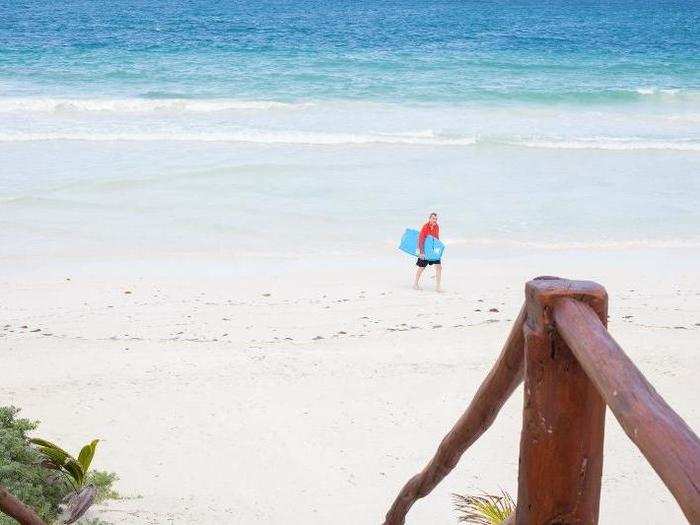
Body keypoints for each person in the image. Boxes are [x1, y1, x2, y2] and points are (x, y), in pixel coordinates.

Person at [413, 212, 442, 292]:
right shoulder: (425, 227)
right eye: (433, 218)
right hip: (424, 250)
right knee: (422, 267)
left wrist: (438, 249)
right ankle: (415, 284)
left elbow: (436, 238)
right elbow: (421, 239)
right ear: (429, 219)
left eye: (436, 219)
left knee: (439, 267)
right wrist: (421, 252)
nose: (435, 220)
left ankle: (438, 287)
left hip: (432, 251)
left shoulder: (437, 227)